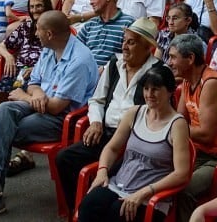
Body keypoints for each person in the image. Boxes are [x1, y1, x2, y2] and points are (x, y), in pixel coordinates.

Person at [0, 11, 98, 222]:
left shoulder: (78, 60)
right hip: (40, 104)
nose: (35, 33)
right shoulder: (51, 49)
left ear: (49, 33)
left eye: (39, 30)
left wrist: (24, 95)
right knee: (3, 110)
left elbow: (56, 107)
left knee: (2, 129)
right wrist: (37, 93)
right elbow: (34, 81)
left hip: (63, 119)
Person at [75, 64, 190, 222]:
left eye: (155, 89)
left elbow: (182, 174)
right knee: (89, 205)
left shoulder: (177, 124)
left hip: (150, 196)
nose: (149, 94)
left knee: (117, 214)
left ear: (170, 91)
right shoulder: (135, 113)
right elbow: (112, 148)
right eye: (146, 88)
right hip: (120, 185)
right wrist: (102, 171)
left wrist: (144, 193)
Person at [167, 33, 217, 222]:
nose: (169, 62)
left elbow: (206, 135)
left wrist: (173, 130)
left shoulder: (211, 83)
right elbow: (178, 120)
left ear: (190, 59)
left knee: (185, 189)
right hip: (200, 151)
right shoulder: (188, 80)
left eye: (173, 57)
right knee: (159, 172)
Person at [77, 0, 137, 67]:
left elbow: (132, 55)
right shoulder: (89, 24)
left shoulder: (129, 23)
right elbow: (75, 52)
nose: (91, 2)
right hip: (86, 73)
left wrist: (106, 69)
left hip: (113, 75)